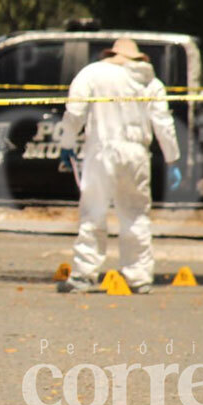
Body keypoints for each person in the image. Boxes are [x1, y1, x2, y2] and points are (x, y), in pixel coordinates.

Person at [56, 38, 181, 294]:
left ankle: (84, 275)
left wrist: (67, 142)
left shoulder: (92, 73)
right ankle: (139, 277)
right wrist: (172, 159)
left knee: (93, 213)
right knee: (136, 215)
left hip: (101, 150)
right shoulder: (151, 81)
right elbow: (163, 122)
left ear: (111, 54)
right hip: (137, 154)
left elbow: (75, 111)